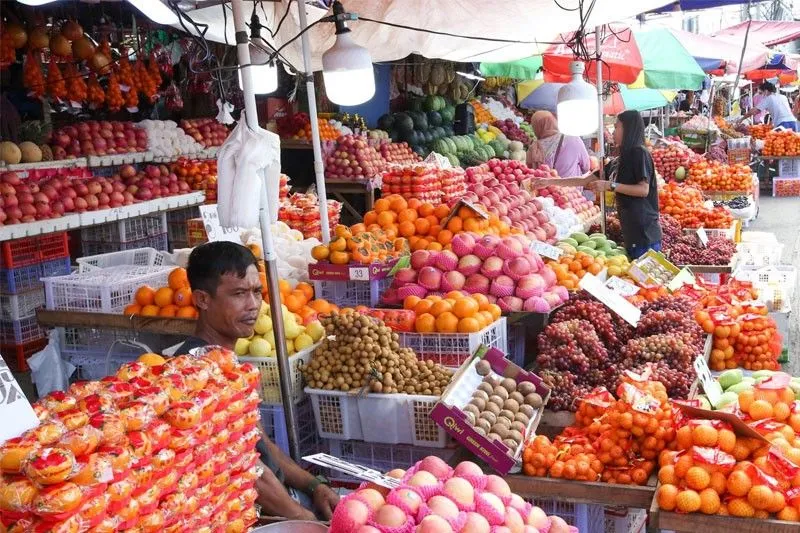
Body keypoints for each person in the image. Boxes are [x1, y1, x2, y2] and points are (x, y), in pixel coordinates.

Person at [172, 241, 340, 521]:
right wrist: (303, 519)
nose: (253, 305)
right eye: (238, 294)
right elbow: (241, 465)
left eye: (255, 292)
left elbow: (262, 445)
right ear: (202, 299)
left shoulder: (228, 362)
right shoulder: (196, 372)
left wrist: (314, 486)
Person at [587, 110, 662, 259]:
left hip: (644, 234)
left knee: (644, 280)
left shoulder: (639, 153)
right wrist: (550, 182)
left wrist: (610, 185)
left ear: (628, 128)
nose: (613, 132)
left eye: (617, 127)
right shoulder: (621, 160)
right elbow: (587, 180)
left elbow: (643, 189)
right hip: (632, 233)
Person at [526, 110, 590, 178]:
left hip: (546, 188)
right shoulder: (573, 138)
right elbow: (586, 167)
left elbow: (530, 173)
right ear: (554, 121)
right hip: (572, 187)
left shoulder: (533, 149)